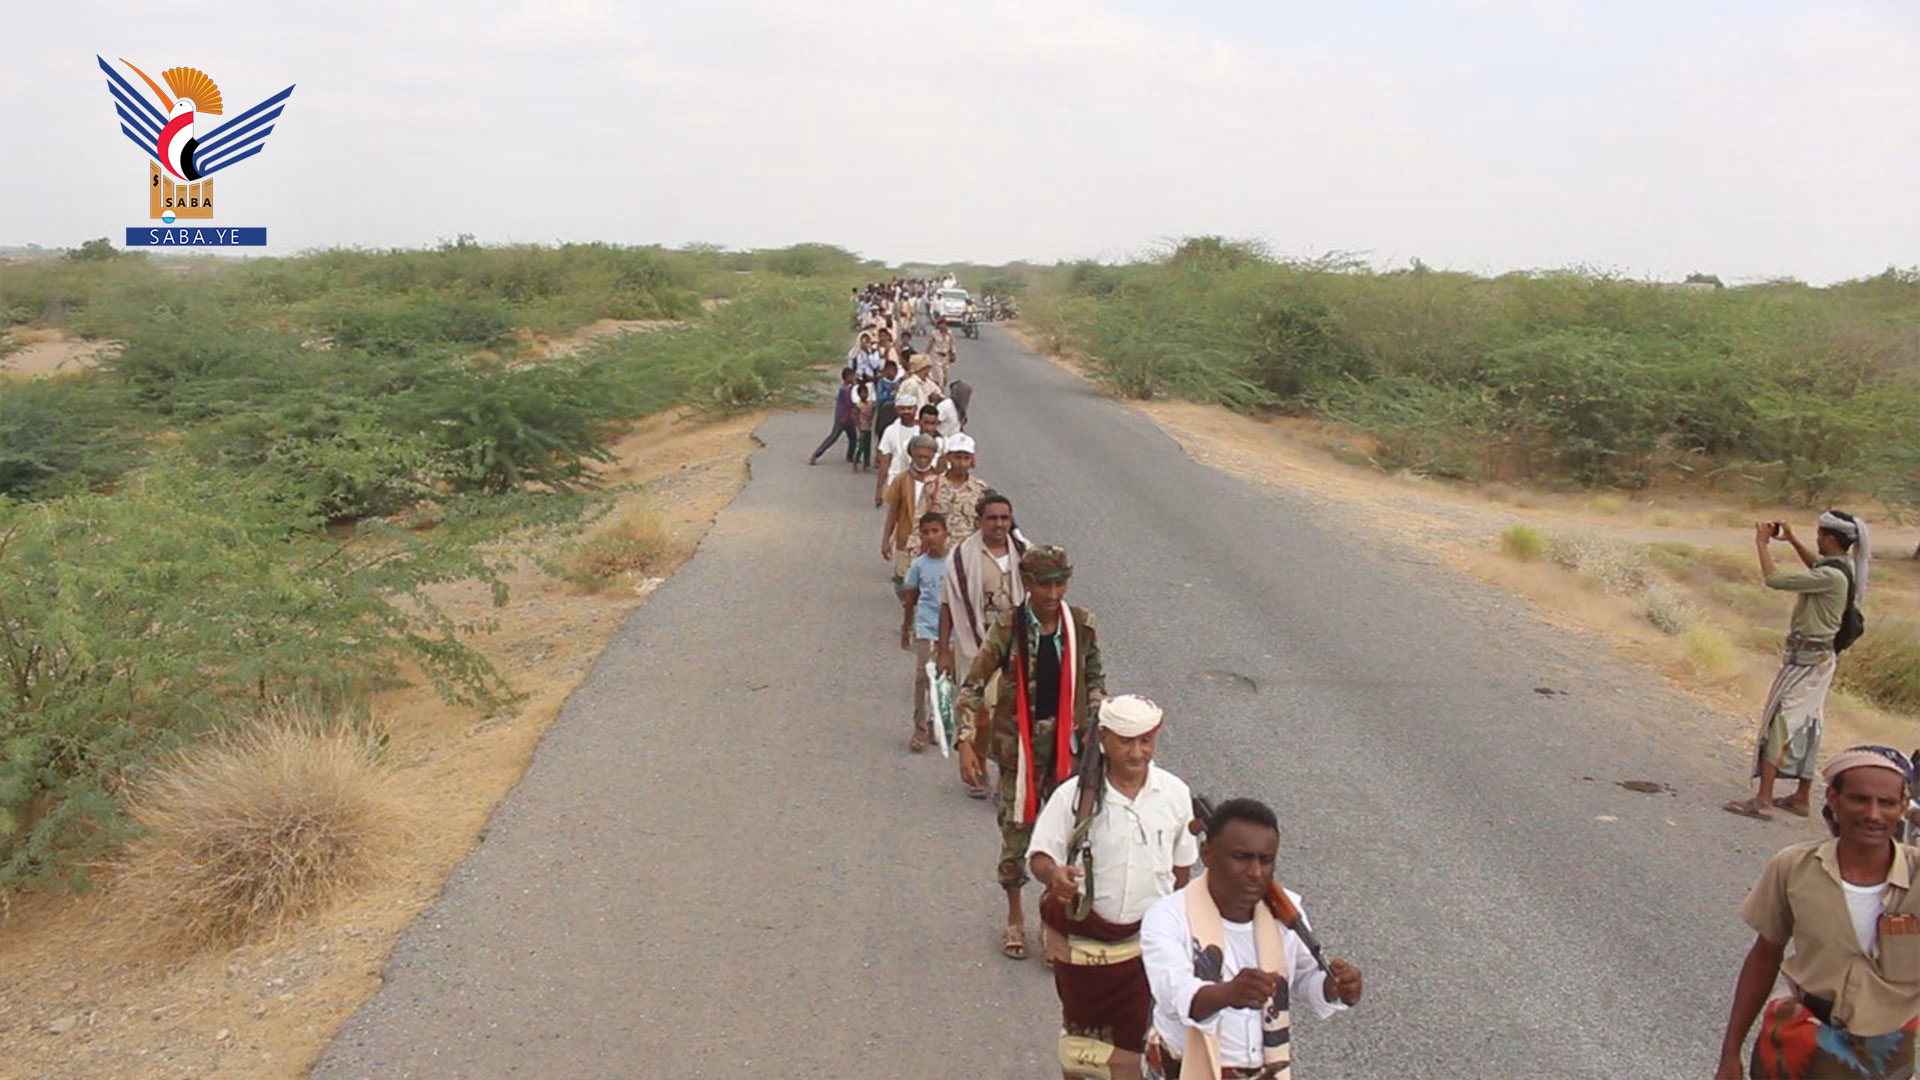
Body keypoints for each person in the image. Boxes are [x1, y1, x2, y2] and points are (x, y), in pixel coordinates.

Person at [1716, 745, 1920, 1079]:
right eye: (1859, 799)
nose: (1872, 814)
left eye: (1886, 802)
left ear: (1902, 806)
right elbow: (1764, 958)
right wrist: (1730, 1053)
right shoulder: (1794, 867)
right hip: (1795, 1046)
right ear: (1834, 799)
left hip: (1885, 1055)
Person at [1028, 695, 1199, 1080]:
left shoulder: (1174, 795)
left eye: (1146, 741)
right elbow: (1040, 855)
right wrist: (1055, 876)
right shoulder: (1072, 797)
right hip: (1086, 958)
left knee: (1144, 1052)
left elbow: (1182, 870)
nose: (1137, 752)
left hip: (1145, 954)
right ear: (1103, 738)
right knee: (1082, 1051)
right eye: (1126, 741)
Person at [1140, 799, 1363, 1079]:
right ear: (1207, 854)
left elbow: (1307, 978)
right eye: (1241, 858)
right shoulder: (1167, 916)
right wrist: (1229, 993)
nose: (1256, 873)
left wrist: (1336, 987)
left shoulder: (1287, 913)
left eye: (1265, 860)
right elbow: (1175, 995)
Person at [955, 545, 1106, 960]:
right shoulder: (1009, 627)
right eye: (1044, 584)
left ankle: (1051, 920)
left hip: (1068, 754)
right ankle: (1015, 918)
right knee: (1016, 836)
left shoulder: (1082, 626)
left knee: (1064, 840)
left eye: (1060, 583)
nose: (1053, 593)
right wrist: (966, 741)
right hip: (1016, 754)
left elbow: (1095, 680)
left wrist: (1093, 724)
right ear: (1028, 584)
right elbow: (970, 687)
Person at [1726, 511, 1870, 821]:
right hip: (1821, 659)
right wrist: (1791, 540)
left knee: (1782, 722)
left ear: (1830, 538)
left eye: (1819, 535)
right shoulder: (1842, 569)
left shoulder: (1830, 577)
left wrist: (1762, 543)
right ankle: (1801, 797)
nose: (1816, 539)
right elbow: (1816, 565)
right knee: (1810, 722)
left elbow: (1774, 579)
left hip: (1807, 661)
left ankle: (1763, 800)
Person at [940, 491, 1028, 797]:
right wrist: (943, 652)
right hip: (975, 643)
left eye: (1004, 518)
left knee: (1012, 711)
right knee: (980, 712)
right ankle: (976, 767)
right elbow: (949, 605)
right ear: (979, 521)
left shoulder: (1024, 552)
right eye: (992, 518)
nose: (999, 524)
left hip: (1016, 645)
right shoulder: (962, 558)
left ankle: (1008, 774)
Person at [899, 512, 952, 753]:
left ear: (945, 533)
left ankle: (936, 724)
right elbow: (910, 598)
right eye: (926, 532)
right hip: (926, 628)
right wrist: (906, 627)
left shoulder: (955, 563)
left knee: (945, 680)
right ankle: (919, 728)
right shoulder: (919, 565)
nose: (931, 537)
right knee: (922, 679)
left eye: (935, 531)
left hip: (951, 633)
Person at [881, 435, 941, 583]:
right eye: (919, 456)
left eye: (927, 457)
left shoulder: (939, 481)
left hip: (932, 542)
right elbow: (893, 513)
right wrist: (886, 541)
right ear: (912, 454)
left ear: (933, 456)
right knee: (904, 584)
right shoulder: (902, 479)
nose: (922, 460)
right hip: (906, 540)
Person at [927, 434, 990, 545]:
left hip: (968, 554)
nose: (961, 463)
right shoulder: (932, 485)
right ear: (948, 457)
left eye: (966, 458)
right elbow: (919, 521)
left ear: (972, 460)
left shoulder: (981, 489)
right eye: (957, 457)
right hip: (939, 553)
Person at [873, 396, 920, 506]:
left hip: (917, 483)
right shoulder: (890, 431)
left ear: (915, 409)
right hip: (894, 481)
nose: (906, 411)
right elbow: (885, 462)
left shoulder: (921, 430)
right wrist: (879, 490)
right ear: (897, 410)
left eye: (909, 408)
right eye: (902, 408)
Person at [808, 368, 860, 466]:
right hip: (842, 418)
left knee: (853, 438)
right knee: (833, 437)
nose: (854, 378)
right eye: (852, 376)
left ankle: (850, 456)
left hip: (849, 418)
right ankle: (816, 454)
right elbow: (850, 403)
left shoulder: (849, 388)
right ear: (847, 377)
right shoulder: (844, 389)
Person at [852, 379, 876, 472]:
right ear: (859, 394)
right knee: (861, 446)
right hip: (862, 427)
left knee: (867, 447)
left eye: (866, 393)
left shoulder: (870, 404)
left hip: (868, 427)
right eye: (862, 393)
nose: (864, 395)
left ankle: (866, 464)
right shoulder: (858, 405)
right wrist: (858, 426)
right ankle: (856, 461)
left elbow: (873, 411)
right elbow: (855, 416)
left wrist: (871, 418)